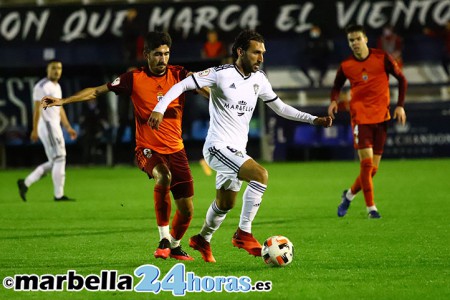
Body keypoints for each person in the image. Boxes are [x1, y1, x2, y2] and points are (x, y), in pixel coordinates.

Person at [148, 30, 332, 262]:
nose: (261, 58)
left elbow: (281, 108)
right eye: (256, 52)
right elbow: (181, 85)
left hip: (237, 151)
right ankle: (243, 233)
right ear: (240, 51)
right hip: (217, 147)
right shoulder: (220, 74)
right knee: (260, 175)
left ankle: (202, 239)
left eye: (263, 53)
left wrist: (313, 119)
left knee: (225, 203)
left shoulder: (259, 79)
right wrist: (160, 108)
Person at [42, 32, 209, 261]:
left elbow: (204, 88)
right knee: (163, 176)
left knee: (187, 210)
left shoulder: (179, 75)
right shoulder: (133, 79)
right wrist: (63, 101)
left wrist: (218, 97)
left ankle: (175, 245)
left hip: (176, 150)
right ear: (146, 54)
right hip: (147, 149)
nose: (163, 59)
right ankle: (162, 238)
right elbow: (96, 91)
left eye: (166, 54)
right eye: (158, 54)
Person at [328, 24, 407, 219]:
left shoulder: (382, 58)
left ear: (366, 39)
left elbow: (402, 79)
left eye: (357, 39)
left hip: (381, 118)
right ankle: (371, 208)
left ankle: (348, 195)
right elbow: (337, 85)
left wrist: (400, 105)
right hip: (360, 118)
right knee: (366, 165)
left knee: (373, 169)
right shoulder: (347, 65)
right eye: (351, 40)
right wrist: (333, 101)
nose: (354, 43)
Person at [17, 60, 77, 201]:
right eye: (54, 68)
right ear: (47, 70)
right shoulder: (41, 86)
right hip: (48, 125)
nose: (57, 71)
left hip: (55, 125)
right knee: (60, 158)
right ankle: (58, 195)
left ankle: (25, 183)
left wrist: (67, 126)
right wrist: (34, 129)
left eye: (59, 68)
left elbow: (60, 107)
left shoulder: (57, 86)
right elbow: (37, 109)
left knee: (54, 162)